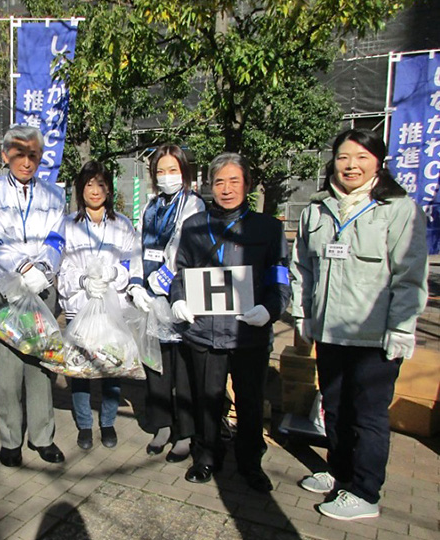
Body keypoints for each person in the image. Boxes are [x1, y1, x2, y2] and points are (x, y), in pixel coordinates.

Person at [291, 129, 427, 520]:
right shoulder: (317, 209)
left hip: (374, 336)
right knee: (333, 408)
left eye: (362, 157)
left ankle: (365, 492)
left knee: (367, 415)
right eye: (343, 157)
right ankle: (339, 472)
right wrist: (303, 315)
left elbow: (410, 275)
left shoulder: (398, 209)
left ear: (378, 162)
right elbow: (303, 268)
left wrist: (401, 327)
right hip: (330, 331)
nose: (351, 165)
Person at [170, 152, 290, 492]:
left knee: (250, 401)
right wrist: (178, 298)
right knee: (206, 398)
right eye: (219, 181)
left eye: (234, 181)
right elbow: (180, 271)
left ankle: (251, 462)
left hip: (248, 332)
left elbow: (280, 277)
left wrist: (270, 309)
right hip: (204, 333)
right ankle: (206, 456)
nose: (226, 188)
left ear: (248, 185)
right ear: (210, 185)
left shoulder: (268, 228)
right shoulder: (194, 226)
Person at [0, 125, 66, 467]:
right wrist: (24, 268)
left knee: (41, 366)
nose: (26, 162)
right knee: (8, 372)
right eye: (18, 154)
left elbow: (58, 237)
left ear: (41, 157)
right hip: (4, 288)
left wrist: (44, 269)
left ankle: (43, 438)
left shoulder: (54, 194)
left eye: (33, 155)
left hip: (43, 287)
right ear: (5, 155)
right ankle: (10, 441)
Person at [127, 144, 205, 462]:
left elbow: (185, 249)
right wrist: (135, 286)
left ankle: (185, 431)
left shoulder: (194, 205)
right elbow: (136, 245)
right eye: (160, 171)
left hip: (179, 296)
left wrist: (163, 283)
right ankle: (161, 424)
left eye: (172, 170)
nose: (166, 177)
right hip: (150, 297)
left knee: (184, 368)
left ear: (184, 172)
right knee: (155, 363)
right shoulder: (151, 206)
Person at [57, 161, 138, 450]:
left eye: (101, 184)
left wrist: (114, 275)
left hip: (111, 307)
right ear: (80, 188)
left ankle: (108, 422)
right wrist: (82, 281)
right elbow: (61, 267)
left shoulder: (123, 225)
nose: (95, 190)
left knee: (111, 366)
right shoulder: (67, 225)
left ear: (110, 188)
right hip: (79, 307)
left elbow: (132, 262)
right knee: (80, 370)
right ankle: (84, 425)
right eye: (89, 184)